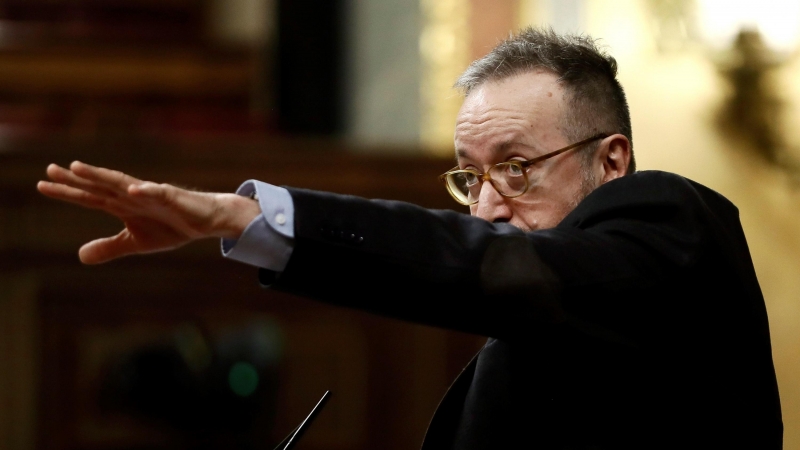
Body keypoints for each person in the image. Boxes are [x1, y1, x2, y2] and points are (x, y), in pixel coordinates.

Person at [37, 28, 782, 449]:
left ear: (611, 160)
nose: (486, 206)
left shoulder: (675, 226)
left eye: (517, 169)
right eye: (470, 178)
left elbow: (497, 267)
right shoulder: (535, 319)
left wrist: (239, 218)